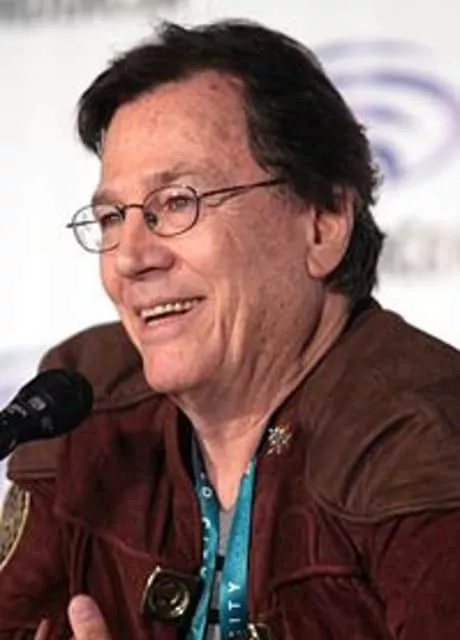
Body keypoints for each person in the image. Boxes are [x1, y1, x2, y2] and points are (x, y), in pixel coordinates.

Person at [0, 18, 460, 640]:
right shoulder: (87, 407)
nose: (130, 257)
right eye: (111, 218)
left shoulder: (426, 436)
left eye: (178, 202)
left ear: (322, 223)